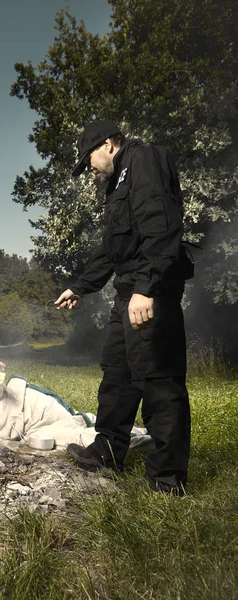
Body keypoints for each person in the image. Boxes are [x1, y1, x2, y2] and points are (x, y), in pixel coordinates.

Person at [55, 119, 191, 495]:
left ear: (109, 143)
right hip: (127, 291)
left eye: (90, 160)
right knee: (117, 375)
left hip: (150, 292)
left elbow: (161, 223)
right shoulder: (117, 185)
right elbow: (112, 249)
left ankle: (166, 480)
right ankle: (107, 453)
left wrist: (148, 288)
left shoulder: (143, 160)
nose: (90, 170)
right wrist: (81, 286)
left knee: (158, 383)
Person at [0, 339, 152, 450]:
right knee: (72, 439)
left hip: (25, 403)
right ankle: (135, 436)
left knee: (77, 418)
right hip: (24, 432)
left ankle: (130, 428)